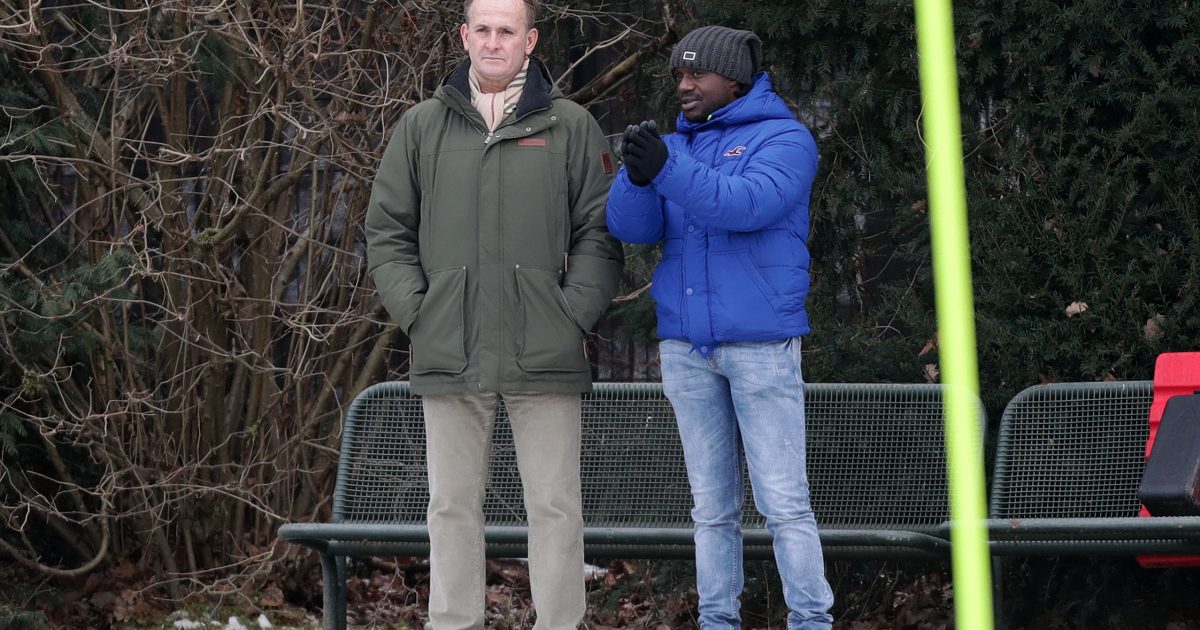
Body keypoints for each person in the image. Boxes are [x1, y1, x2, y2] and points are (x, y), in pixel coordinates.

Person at [364, 0, 624, 627]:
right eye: (481, 29)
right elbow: (387, 230)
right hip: (449, 344)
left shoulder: (571, 126)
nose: (492, 41)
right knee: (451, 507)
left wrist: (570, 314)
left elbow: (600, 231)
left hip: (545, 347)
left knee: (557, 508)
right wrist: (419, 314)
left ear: (529, 41)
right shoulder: (421, 127)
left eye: (506, 30)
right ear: (463, 36)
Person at [605, 25, 835, 629]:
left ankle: (812, 622)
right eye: (677, 75)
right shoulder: (676, 147)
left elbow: (744, 205)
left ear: (733, 78)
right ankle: (717, 622)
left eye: (695, 74)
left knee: (784, 505)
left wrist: (666, 171)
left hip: (760, 346)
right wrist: (635, 175)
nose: (683, 85)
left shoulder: (786, 139)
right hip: (686, 347)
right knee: (711, 509)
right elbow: (634, 231)